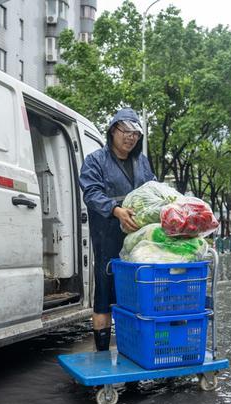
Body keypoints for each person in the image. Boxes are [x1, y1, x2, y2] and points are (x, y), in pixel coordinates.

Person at [79, 107, 156, 351]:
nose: (131, 137)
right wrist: (117, 210)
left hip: (139, 240)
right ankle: (102, 351)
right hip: (108, 237)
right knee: (104, 294)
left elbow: (153, 193)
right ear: (113, 131)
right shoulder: (95, 161)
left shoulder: (142, 162)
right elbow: (91, 193)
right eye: (126, 130)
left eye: (136, 133)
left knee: (137, 293)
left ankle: (134, 348)